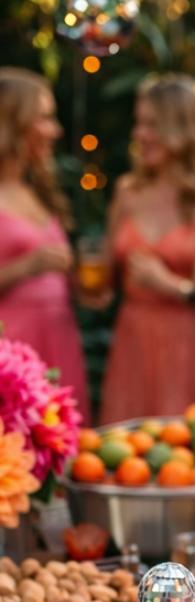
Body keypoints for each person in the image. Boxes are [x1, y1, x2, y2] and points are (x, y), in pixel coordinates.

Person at [100, 74, 195, 422]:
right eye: (138, 123)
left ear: (184, 130)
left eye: (152, 125)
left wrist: (174, 286)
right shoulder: (127, 192)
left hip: (193, 347)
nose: (139, 135)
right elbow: (103, 281)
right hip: (133, 344)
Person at [0, 68, 90, 419]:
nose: (56, 131)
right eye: (45, 118)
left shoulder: (35, 190)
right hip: (11, 350)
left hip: (59, 339)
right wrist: (29, 266)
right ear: (13, 123)